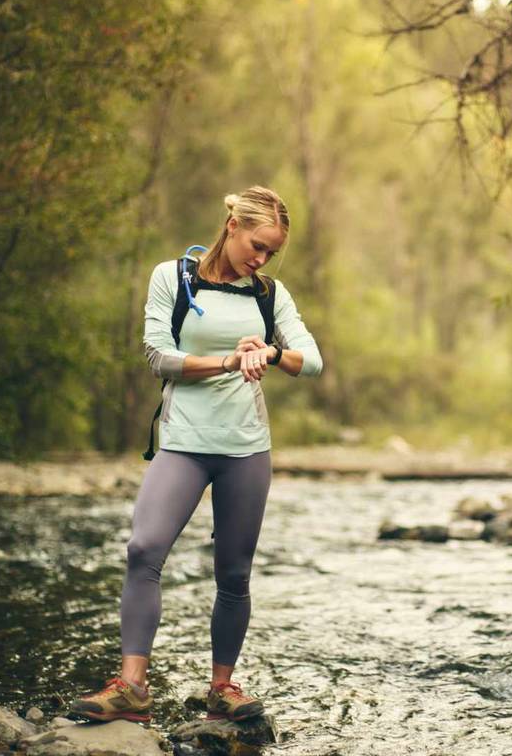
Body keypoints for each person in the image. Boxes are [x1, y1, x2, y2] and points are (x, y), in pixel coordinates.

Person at [70, 186, 322, 724]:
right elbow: (159, 356)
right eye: (256, 245)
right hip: (183, 443)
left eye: (271, 253)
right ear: (232, 226)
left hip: (246, 450)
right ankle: (132, 687)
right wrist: (228, 362)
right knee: (144, 549)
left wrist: (272, 352)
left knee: (234, 574)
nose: (261, 258)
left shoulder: (269, 296)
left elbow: (314, 361)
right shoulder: (173, 278)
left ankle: (221, 687)